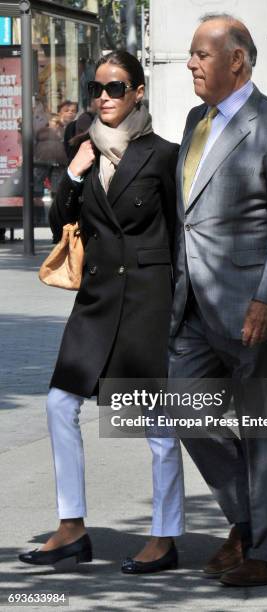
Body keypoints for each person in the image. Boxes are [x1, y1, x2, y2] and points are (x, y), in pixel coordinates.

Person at [19, 51, 185, 573]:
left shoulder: (163, 155)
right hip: (95, 304)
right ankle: (72, 529)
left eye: (116, 87)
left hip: (146, 304)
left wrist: (182, 311)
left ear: (138, 92)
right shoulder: (83, 151)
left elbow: (182, 237)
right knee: (58, 405)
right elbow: (59, 223)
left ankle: (164, 536)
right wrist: (72, 171)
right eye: (96, 89)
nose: (104, 98)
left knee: (156, 424)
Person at [167, 13, 267, 586]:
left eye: (203, 54)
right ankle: (251, 522)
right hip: (195, 306)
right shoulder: (193, 121)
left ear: (238, 60)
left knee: (265, 430)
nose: (191, 64)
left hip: (256, 308)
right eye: (192, 53)